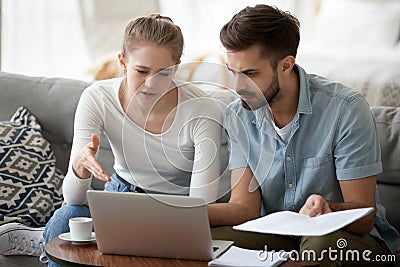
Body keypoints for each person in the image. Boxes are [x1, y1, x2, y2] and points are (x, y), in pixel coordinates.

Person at [0, 14, 227, 266]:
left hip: (176, 210)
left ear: (177, 67)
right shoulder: (97, 97)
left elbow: (199, 208)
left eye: (164, 73)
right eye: (141, 71)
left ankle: (40, 240)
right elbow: (74, 198)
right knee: (66, 217)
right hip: (120, 198)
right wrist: (79, 167)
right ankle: (47, 239)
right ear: (122, 62)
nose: (151, 84)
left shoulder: (203, 109)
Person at [207, 4, 400, 266]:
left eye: (250, 74)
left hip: (347, 238)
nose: (239, 86)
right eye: (233, 72)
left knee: (318, 248)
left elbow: (365, 217)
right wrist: (181, 215)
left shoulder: (345, 109)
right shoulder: (238, 115)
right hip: (277, 236)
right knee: (209, 242)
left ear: (286, 65)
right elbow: (244, 209)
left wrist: (329, 207)